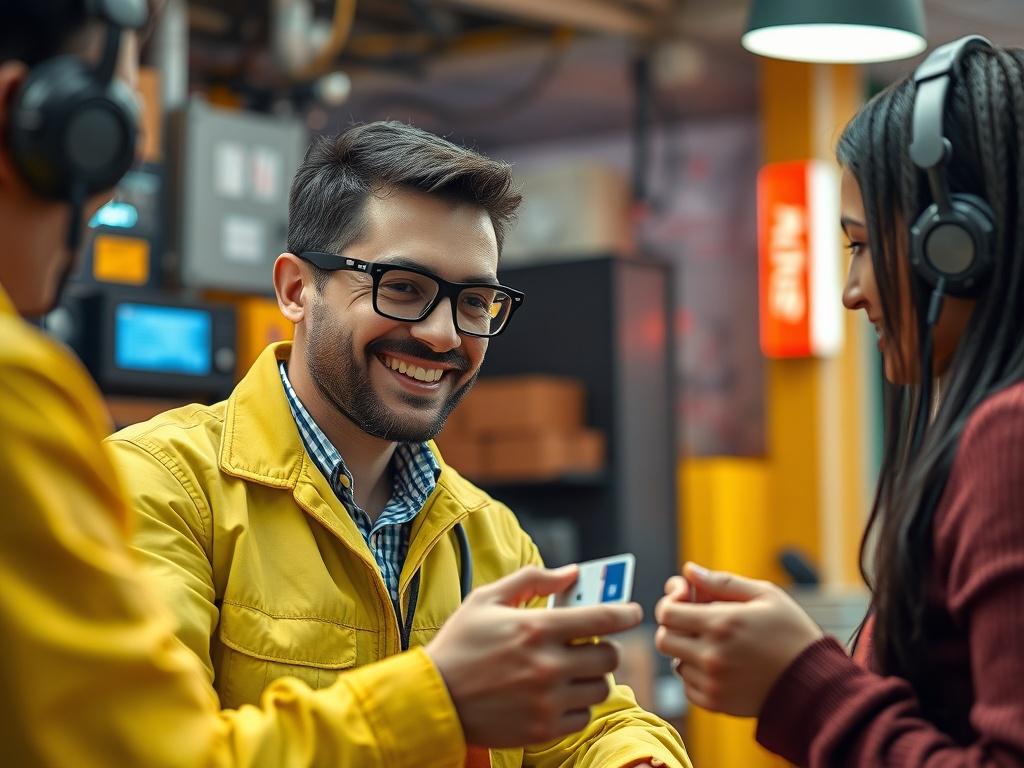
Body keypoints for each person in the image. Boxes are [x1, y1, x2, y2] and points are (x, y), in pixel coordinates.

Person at [0, 3, 685, 767]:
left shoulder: (487, 536)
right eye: (400, 287)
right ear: (296, 290)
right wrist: (437, 699)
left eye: (475, 301)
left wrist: (635, 757)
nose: (443, 333)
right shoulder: (161, 492)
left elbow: (594, 723)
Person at [654, 37, 1024, 766]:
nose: (852, 289)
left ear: (955, 245)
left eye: (859, 245)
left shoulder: (1009, 436)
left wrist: (800, 684)